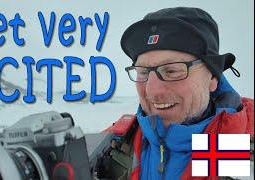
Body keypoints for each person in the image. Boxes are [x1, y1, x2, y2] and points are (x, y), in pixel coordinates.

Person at [105, 7, 254, 180]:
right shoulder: (114, 145)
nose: (152, 90)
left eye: (172, 71)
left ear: (213, 76)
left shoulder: (235, 143)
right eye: (143, 72)